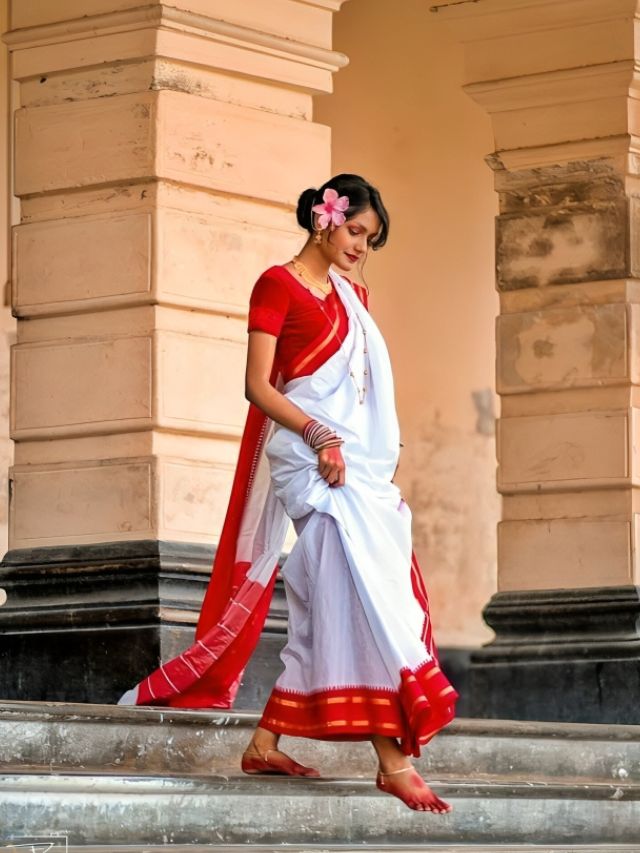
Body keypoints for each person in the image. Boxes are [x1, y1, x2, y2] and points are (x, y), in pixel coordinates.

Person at [118, 174, 458, 813]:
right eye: (355, 230)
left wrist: (370, 461)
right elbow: (258, 386)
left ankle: (265, 741)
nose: (360, 246)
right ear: (324, 219)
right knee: (360, 598)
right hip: (309, 461)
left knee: (336, 596)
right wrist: (320, 435)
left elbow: (361, 394)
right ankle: (392, 761)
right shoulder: (276, 285)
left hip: (352, 469)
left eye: (371, 239)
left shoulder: (353, 296)